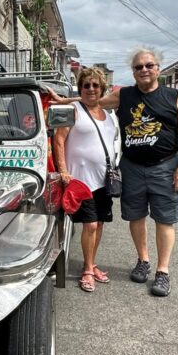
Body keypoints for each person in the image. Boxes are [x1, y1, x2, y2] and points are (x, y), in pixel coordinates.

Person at [51, 49, 178, 297]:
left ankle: (162, 271)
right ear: (133, 72)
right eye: (139, 67)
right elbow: (91, 101)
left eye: (149, 65)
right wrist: (64, 101)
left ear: (158, 68)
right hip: (132, 167)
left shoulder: (174, 97)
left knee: (164, 219)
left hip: (165, 167)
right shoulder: (125, 95)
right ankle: (143, 260)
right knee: (135, 216)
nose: (144, 70)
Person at [52, 67, 120, 293]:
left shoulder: (107, 112)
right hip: (81, 180)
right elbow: (59, 140)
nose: (91, 89)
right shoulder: (73, 109)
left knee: (99, 223)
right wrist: (63, 170)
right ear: (80, 88)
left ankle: (90, 263)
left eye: (95, 85)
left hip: (104, 178)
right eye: (86, 85)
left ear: (102, 89)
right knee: (90, 224)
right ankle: (88, 270)